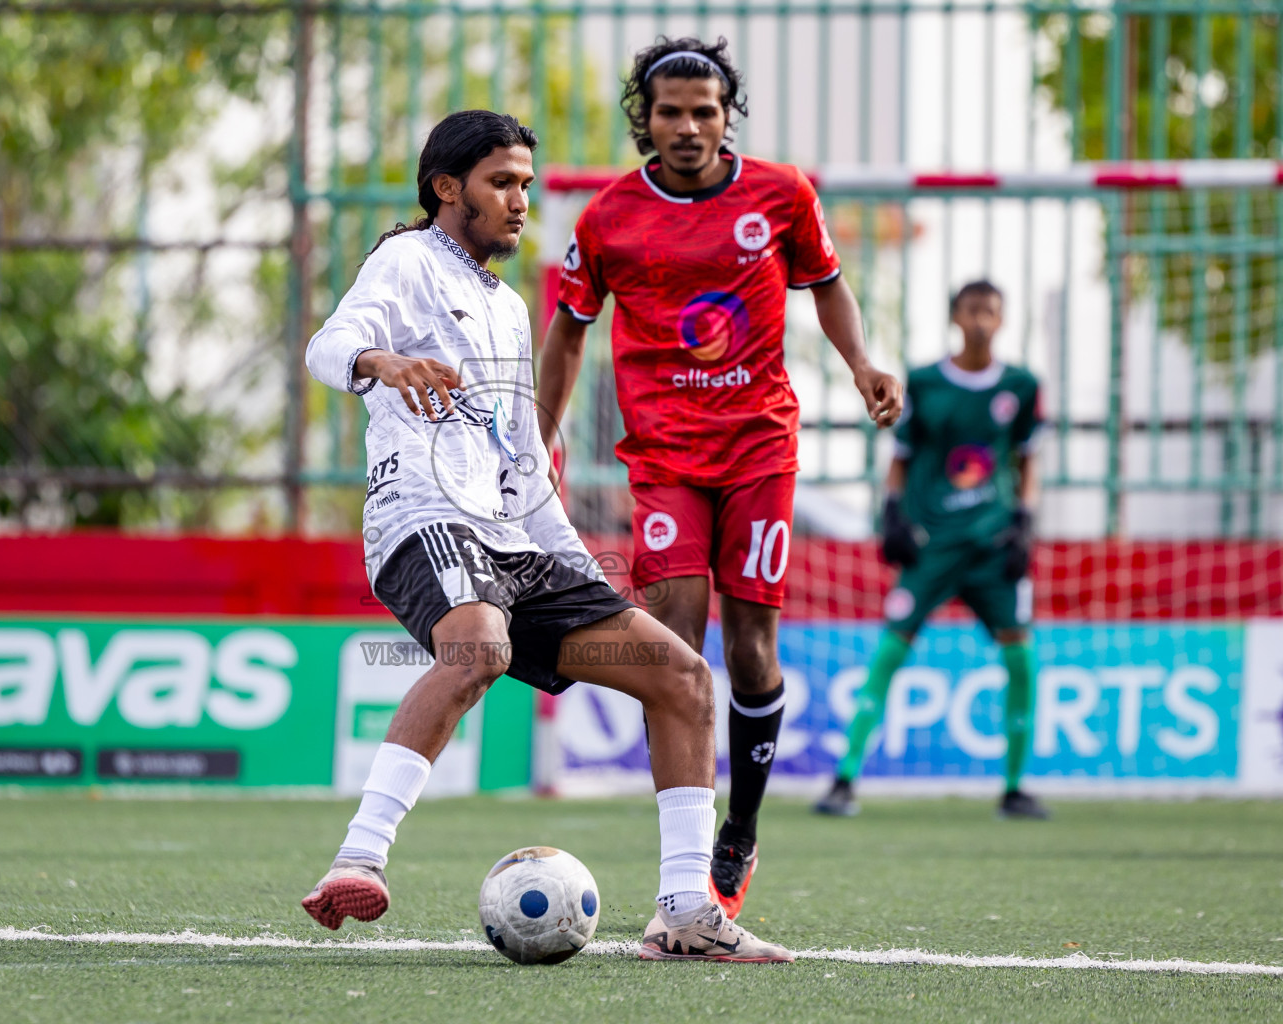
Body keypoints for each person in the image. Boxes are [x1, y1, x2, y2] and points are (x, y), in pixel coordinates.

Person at [302, 109, 794, 963]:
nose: (521, 199)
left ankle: (685, 912)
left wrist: (575, 571)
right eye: (503, 182)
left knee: (679, 676)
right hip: (422, 518)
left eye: (527, 182)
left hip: (513, 541)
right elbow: (330, 342)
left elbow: (522, 458)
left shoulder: (506, 307)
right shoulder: (406, 260)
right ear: (447, 188)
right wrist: (383, 362)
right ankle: (358, 859)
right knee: (478, 649)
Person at [537, 38, 904, 919]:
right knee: (672, 648)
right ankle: (684, 860)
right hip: (663, 458)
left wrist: (861, 363)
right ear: (646, 121)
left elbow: (827, 282)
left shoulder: (781, 195)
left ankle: (740, 826)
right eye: (671, 112)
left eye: (705, 111)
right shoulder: (609, 218)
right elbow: (570, 329)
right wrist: (539, 441)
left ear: (725, 116)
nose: (690, 127)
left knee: (749, 652)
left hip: (758, 452)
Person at [813, 280, 1048, 820]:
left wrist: (1025, 522)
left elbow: (1028, 460)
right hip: (932, 544)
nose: (982, 320)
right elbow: (901, 453)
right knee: (890, 651)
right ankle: (845, 778)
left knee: (1020, 655)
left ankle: (1014, 787)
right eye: (972, 310)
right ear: (955, 318)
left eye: (991, 309)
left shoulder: (1022, 385)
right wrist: (892, 512)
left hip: (992, 544)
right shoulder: (922, 381)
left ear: (1003, 317)